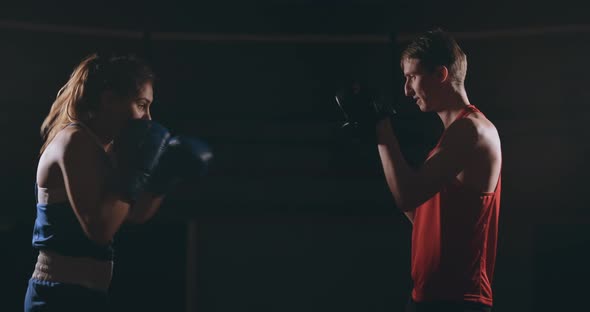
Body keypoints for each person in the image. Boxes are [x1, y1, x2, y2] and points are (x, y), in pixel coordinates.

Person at [24, 53, 212, 311]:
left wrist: (162, 180)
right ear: (109, 100)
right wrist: (137, 169)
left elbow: (131, 214)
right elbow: (100, 230)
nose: (148, 118)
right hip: (58, 294)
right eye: (141, 104)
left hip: (85, 294)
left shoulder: (106, 149)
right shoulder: (75, 140)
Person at [375, 29, 502, 311]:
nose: (407, 90)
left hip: (457, 300)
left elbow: (406, 196)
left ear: (441, 75)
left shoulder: (472, 130)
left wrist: (382, 130)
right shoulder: (454, 136)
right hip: (430, 296)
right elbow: (420, 213)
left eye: (412, 77)